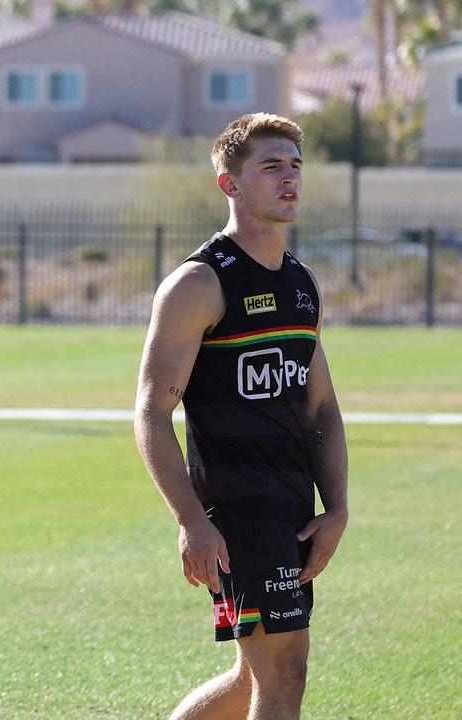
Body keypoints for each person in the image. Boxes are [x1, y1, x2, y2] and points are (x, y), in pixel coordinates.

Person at [134, 112, 349, 720]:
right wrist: (192, 521)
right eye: (271, 166)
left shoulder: (301, 283)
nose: (290, 178)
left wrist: (336, 508)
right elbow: (152, 411)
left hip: (290, 509)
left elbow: (323, 407)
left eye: (296, 165)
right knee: (284, 673)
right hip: (236, 513)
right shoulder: (199, 284)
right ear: (230, 184)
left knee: (250, 679)